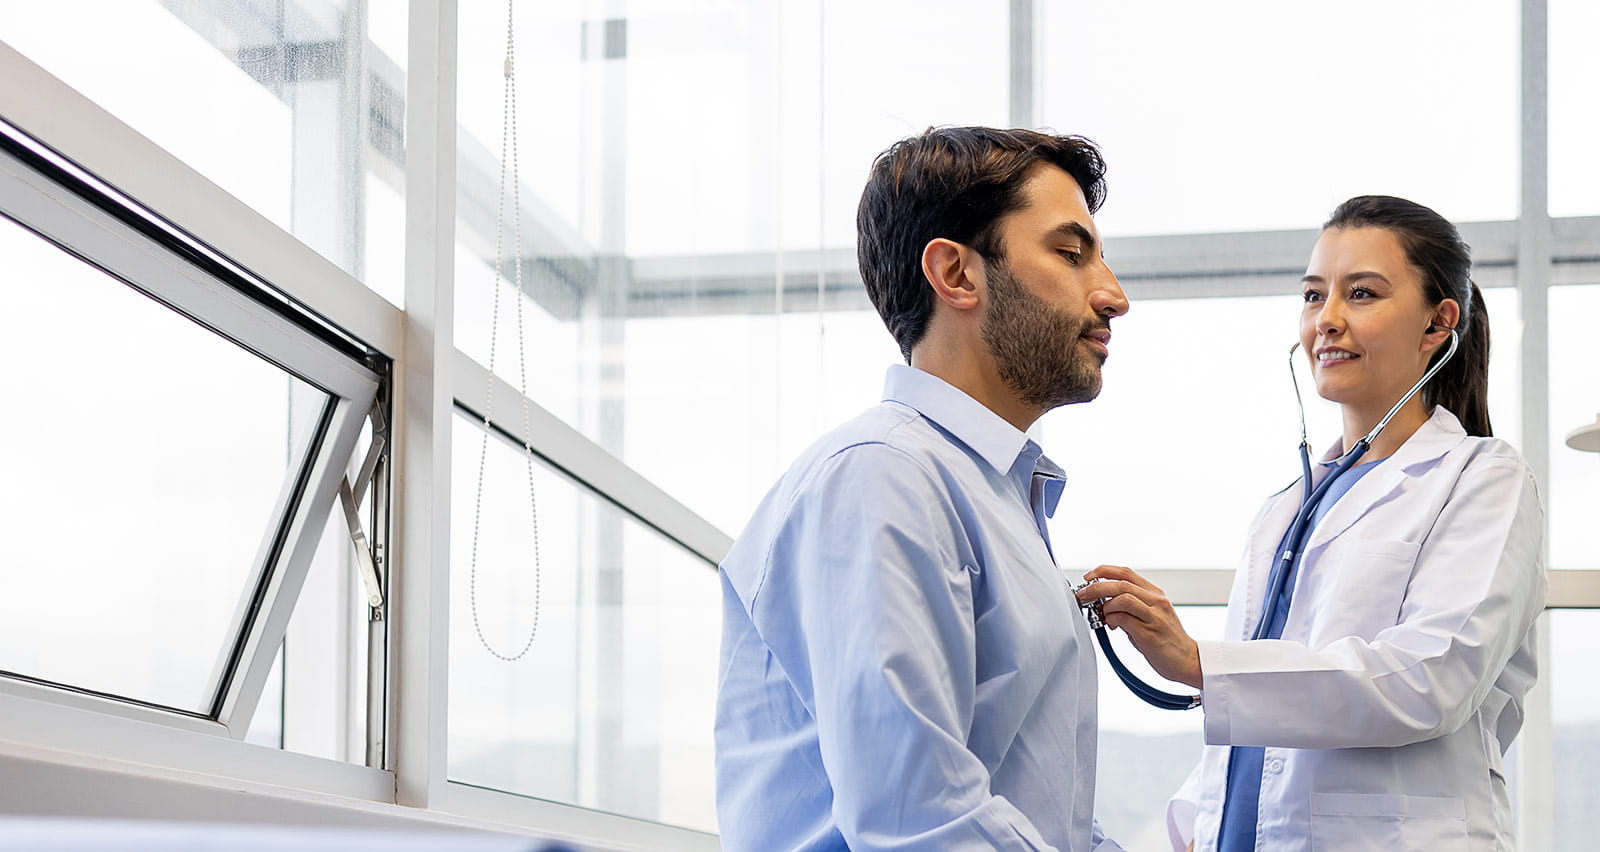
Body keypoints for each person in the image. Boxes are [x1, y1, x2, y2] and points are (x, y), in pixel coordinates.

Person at [1075, 195, 1545, 851]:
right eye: (1313, 295)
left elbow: (1427, 680)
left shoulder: (1482, 479)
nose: (1326, 320)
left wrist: (1194, 662)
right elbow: (1261, 728)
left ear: (1439, 323)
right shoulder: (1283, 511)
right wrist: (1194, 823)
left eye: (1362, 294)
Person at [714, 126, 1131, 851]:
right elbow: (919, 815)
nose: (1114, 296)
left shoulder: (986, 494)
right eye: (1071, 254)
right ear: (957, 274)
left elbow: (1045, 813)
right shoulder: (882, 477)